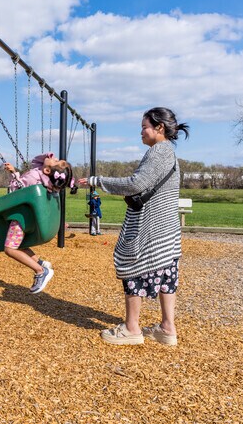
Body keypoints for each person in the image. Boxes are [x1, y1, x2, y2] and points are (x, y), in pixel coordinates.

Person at [79, 107, 189, 346]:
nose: (141, 132)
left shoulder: (159, 152)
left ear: (159, 128)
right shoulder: (168, 152)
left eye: (144, 127)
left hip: (150, 228)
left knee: (132, 267)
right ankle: (167, 329)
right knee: (167, 275)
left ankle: (131, 329)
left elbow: (135, 183)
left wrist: (96, 181)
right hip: (166, 230)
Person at [4, 152, 77, 294]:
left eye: (55, 160)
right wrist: (47, 158)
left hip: (21, 219)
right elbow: (37, 163)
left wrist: (14, 175)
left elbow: (16, 191)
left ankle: (40, 271)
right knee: (21, 245)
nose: (53, 157)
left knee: (10, 249)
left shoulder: (34, 177)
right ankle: (40, 262)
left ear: (48, 170)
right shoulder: (49, 183)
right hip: (34, 220)